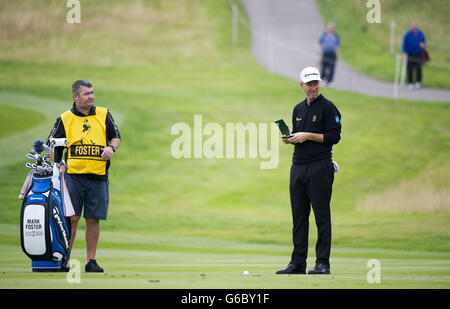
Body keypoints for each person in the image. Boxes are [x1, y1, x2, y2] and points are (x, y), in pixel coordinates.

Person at [47, 80, 121, 272]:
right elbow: (53, 145)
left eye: (92, 93)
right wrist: (59, 165)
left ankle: (91, 261)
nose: (91, 96)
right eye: (87, 94)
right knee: (70, 218)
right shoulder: (65, 118)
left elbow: (116, 136)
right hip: (73, 177)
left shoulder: (104, 114)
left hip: (98, 176)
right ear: (76, 96)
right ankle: (65, 258)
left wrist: (111, 148)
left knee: (93, 219)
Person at [276, 67, 341, 275]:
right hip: (298, 167)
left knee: (321, 216)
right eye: (309, 84)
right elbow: (300, 136)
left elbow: (334, 136)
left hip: (320, 167)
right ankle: (298, 263)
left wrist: (307, 135)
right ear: (301, 85)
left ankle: (323, 263)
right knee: (299, 216)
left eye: (316, 83)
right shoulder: (298, 109)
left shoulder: (328, 108)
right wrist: (291, 138)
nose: (313, 87)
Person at [402, 22, 426, 90]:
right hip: (410, 55)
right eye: (414, 28)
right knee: (410, 69)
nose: (415, 29)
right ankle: (410, 83)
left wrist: (423, 44)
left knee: (418, 69)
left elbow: (423, 41)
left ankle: (418, 82)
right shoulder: (407, 34)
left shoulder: (420, 33)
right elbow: (404, 44)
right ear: (411, 28)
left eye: (416, 28)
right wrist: (404, 52)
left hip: (418, 54)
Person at [316, 23, 341, 87]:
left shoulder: (335, 36)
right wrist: (318, 49)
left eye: (332, 28)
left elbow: (338, 45)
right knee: (323, 67)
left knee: (332, 68)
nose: (331, 29)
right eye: (330, 27)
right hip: (325, 53)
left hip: (332, 54)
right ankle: (322, 80)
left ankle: (329, 82)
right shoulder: (324, 35)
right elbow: (319, 42)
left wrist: (337, 53)